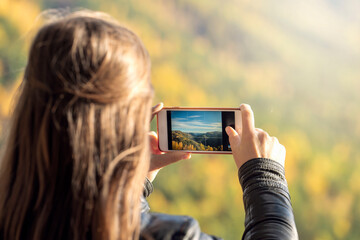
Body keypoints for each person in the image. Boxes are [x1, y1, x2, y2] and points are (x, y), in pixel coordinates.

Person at [0, 10, 298, 240]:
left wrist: (127, 188)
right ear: (123, 126)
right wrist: (264, 178)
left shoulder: (14, 211)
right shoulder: (170, 236)